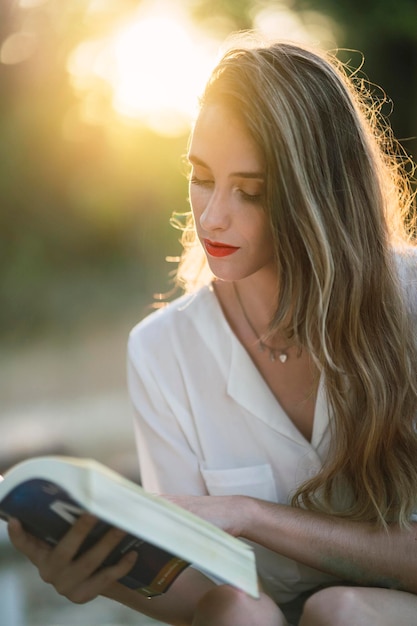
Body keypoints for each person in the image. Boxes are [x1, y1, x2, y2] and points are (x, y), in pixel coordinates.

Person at [8, 37, 417, 626]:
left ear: (321, 196)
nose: (212, 215)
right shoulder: (161, 350)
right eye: (201, 177)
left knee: (342, 610)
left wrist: (250, 515)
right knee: (236, 613)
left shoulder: (408, 306)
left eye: (250, 191)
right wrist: (102, 578)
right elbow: (203, 593)